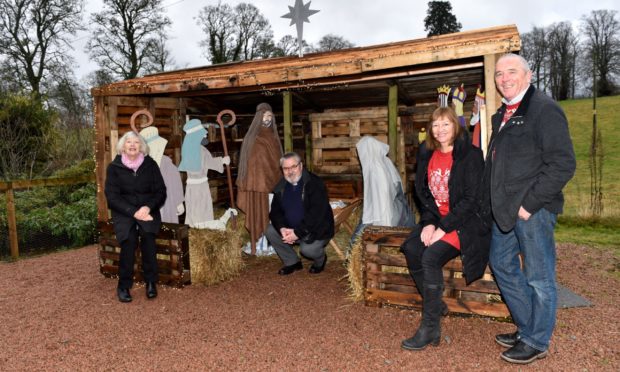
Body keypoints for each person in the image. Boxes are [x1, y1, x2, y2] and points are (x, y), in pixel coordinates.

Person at [482, 53, 576, 365]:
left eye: (511, 72)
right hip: (503, 210)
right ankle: (527, 328)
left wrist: (529, 205)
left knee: (539, 277)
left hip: (532, 211)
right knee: (501, 263)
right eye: (499, 74)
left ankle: (537, 340)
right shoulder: (503, 114)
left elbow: (563, 164)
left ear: (528, 75)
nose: (504, 78)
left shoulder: (544, 109)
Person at [400, 107, 489, 351]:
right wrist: (429, 222)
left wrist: (443, 227)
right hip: (437, 219)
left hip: (464, 222)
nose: (440, 130)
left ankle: (429, 327)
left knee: (430, 257)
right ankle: (436, 304)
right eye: (435, 125)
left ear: (456, 126)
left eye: (445, 124)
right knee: (410, 248)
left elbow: (472, 200)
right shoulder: (426, 152)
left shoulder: (470, 155)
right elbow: (423, 192)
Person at [105, 131, 167, 303]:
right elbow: (112, 196)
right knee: (129, 241)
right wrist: (133, 212)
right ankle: (124, 286)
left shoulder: (151, 165)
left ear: (141, 146)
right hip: (125, 212)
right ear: (123, 146)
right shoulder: (114, 168)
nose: (132, 145)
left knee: (148, 238)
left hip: (147, 210)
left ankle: (151, 283)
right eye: (128, 142)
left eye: (136, 142)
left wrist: (148, 207)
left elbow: (160, 191)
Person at [265, 152, 334, 275]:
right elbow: (275, 212)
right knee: (270, 230)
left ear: (301, 166)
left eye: (294, 167)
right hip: (292, 229)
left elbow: (316, 214)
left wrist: (298, 233)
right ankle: (292, 262)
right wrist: (282, 228)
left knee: (307, 250)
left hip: (315, 229)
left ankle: (320, 261)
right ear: (282, 170)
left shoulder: (314, 183)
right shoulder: (281, 186)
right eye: (286, 168)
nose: (290, 171)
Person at [236, 103, 283, 254]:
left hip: (273, 184)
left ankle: (270, 244)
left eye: (270, 116)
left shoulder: (274, 137)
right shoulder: (252, 138)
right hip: (256, 185)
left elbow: (277, 161)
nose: (267, 119)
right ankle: (260, 245)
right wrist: (253, 181)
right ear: (258, 117)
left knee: (272, 214)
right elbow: (250, 163)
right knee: (259, 213)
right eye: (264, 116)